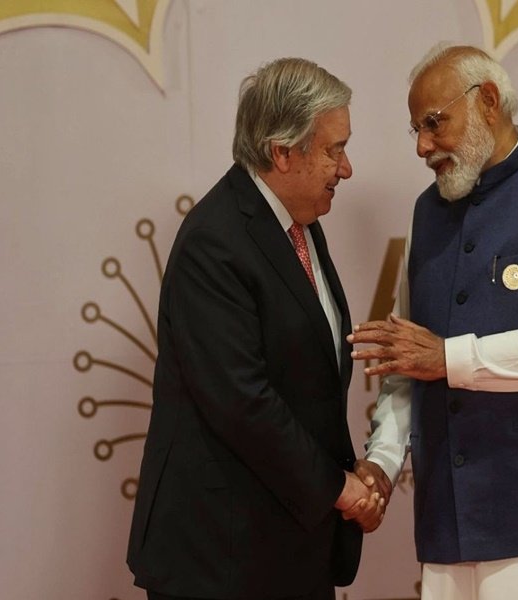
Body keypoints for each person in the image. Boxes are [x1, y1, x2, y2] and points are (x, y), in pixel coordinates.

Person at [348, 43, 518, 600]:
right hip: (451, 518)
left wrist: (450, 357)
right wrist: (382, 458)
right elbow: (409, 358)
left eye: (434, 123)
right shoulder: (428, 213)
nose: (424, 146)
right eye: (416, 131)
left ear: (490, 102)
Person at [127, 57, 383, 600]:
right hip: (220, 560)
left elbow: (307, 383)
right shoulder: (214, 242)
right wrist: (340, 488)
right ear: (282, 151)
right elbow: (242, 402)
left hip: (288, 547)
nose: (347, 168)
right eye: (335, 149)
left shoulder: (298, 224)